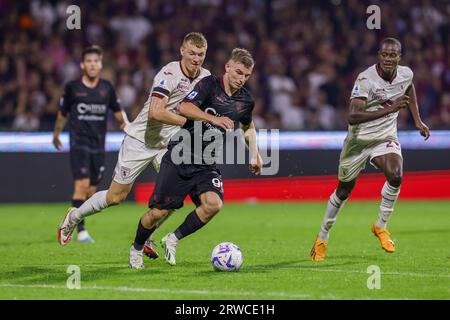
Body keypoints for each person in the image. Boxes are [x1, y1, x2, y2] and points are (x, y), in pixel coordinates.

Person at [57, 33, 210, 256]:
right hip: (142, 139)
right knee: (115, 197)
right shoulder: (168, 73)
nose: (196, 59)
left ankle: (146, 236)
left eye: (201, 54)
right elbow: (156, 112)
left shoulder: (205, 77)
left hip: (168, 145)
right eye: (192, 53)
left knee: (172, 197)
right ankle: (74, 217)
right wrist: (188, 122)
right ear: (182, 51)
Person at [129, 48, 263, 269]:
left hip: (206, 162)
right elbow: (184, 107)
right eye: (238, 72)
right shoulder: (209, 84)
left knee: (213, 204)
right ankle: (136, 248)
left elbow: (248, 126)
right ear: (227, 67)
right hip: (180, 155)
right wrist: (214, 119)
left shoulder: (245, 101)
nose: (241, 79)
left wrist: (255, 153)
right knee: (158, 212)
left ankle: (172, 239)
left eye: (246, 76)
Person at [310, 38, 430, 261]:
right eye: (384, 54)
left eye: (393, 55)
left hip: (384, 137)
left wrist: (417, 121)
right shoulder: (365, 79)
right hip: (358, 142)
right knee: (344, 190)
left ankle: (381, 227)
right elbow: (353, 116)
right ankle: (322, 237)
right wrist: (391, 108)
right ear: (379, 55)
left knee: (396, 175)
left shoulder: (406, 74)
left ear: (399, 58)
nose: (388, 59)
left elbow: (409, 88)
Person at [53, 45, 126, 243]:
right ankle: (80, 231)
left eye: (96, 61)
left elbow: (119, 113)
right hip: (79, 142)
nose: (93, 64)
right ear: (83, 65)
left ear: (100, 64)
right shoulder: (72, 88)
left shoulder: (106, 88)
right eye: (89, 61)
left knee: (92, 191)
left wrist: (127, 128)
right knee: (81, 185)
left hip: (98, 145)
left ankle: (75, 220)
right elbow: (62, 114)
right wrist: (57, 134)